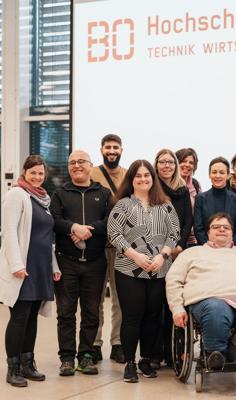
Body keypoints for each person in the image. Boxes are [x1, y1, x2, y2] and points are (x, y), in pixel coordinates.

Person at [166, 212, 236, 370]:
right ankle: (215, 354)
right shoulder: (191, 253)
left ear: (232, 232)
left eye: (226, 227)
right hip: (209, 301)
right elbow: (173, 280)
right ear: (208, 232)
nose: (221, 229)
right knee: (216, 309)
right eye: (216, 227)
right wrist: (177, 308)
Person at [108, 160, 180, 383]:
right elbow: (114, 234)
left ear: (153, 178)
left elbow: (174, 233)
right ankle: (130, 363)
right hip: (129, 270)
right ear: (131, 179)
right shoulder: (122, 205)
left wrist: (162, 256)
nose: (143, 179)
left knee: (152, 317)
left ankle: (145, 360)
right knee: (132, 317)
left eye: (147, 175)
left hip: (159, 270)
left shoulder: (165, 205)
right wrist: (136, 256)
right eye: (138, 176)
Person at [0, 155, 61, 387]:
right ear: (24, 172)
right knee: (19, 317)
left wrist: (54, 266)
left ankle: (27, 364)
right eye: (33, 172)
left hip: (40, 267)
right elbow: (10, 232)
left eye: (41, 173)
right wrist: (16, 265)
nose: (37, 177)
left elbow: (47, 238)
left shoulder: (43, 199)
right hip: (23, 268)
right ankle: (12, 369)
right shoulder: (17, 194)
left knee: (32, 317)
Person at [50, 150, 112, 377]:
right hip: (67, 262)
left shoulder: (103, 193)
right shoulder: (60, 194)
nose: (76, 166)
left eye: (81, 162)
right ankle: (67, 358)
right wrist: (73, 228)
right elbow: (54, 220)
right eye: (72, 163)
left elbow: (110, 220)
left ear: (90, 165)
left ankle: (86, 356)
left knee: (91, 312)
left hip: (95, 263)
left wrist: (88, 231)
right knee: (66, 312)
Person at [153, 149, 193, 367]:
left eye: (170, 162)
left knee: (174, 304)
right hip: (155, 253)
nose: (167, 165)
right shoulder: (151, 187)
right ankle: (155, 353)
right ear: (156, 164)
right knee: (156, 305)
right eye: (163, 162)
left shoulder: (182, 190)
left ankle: (173, 353)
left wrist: (180, 245)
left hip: (177, 254)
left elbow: (187, 221)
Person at [90, 134, 127, 364]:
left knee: (119, 297)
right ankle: (94, 343)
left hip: (121, 247)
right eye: (108, 147)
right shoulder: (92, 173)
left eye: (115, 147)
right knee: (95, 298)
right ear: (101, 149)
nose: (112, 151)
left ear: (121, 150)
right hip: (97, 245)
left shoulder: (128, 175)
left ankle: (117, 343)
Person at [194, 157, 236, 245]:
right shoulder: (200, 198)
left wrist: (231, 245)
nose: (217, 176)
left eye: (221, 172)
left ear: (228, 175)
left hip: (231, 249)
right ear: (209, 175)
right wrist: (208, 245)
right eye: (214, 172)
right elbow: (198, 228)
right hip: (206, 248)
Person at [175, 147, 201, 247]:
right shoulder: (169, 184)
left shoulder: (196, 184)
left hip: (193, 239)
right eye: (183, 161)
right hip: (174, 240)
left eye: (191, 163)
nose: (187, 165)